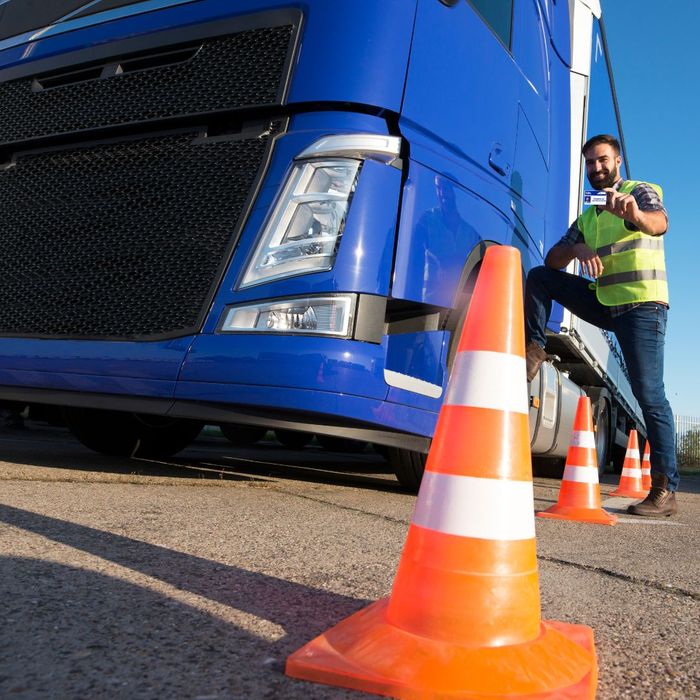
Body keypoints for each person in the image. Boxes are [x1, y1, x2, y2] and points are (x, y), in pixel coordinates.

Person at [524, 134, 678, 516]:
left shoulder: (639, 191)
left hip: (642, 306)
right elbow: (554, 259)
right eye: (591, 162)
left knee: (649, 394)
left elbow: (659, 223)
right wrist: (578, 248)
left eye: (603, 160)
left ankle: (665, 489)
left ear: (618, 161)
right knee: (541, 276)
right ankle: (534, 348)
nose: (597, 168)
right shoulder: (589, 214)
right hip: (606, 302)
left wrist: (636, 215)